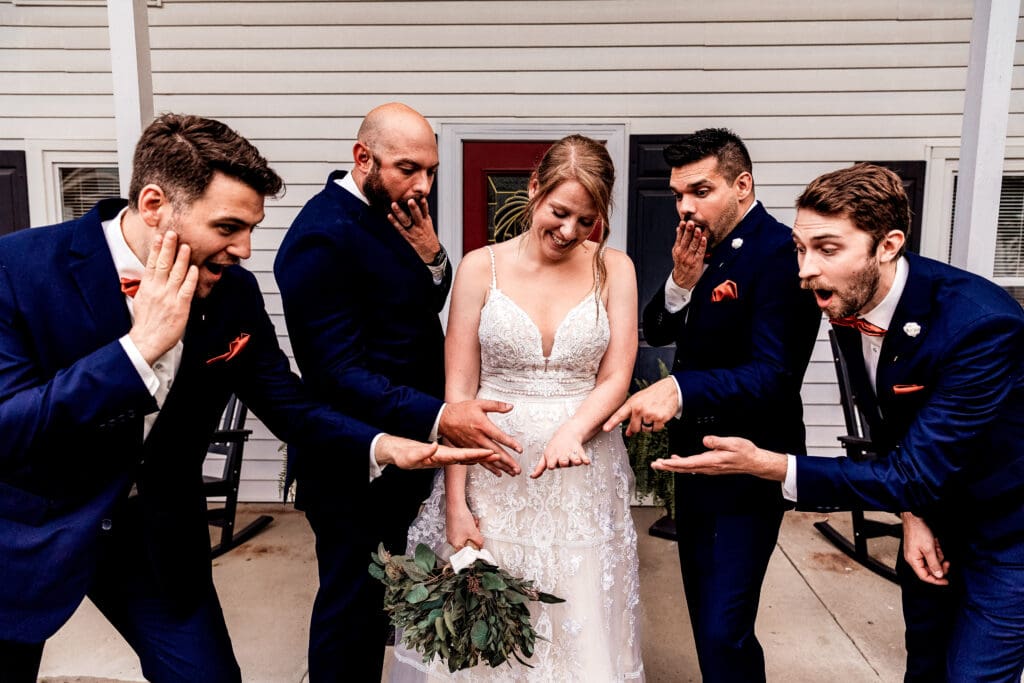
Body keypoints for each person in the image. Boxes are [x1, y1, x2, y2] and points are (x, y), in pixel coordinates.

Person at [0, 113, 500, 683]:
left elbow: (288, 402)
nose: (244, 249)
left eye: (251, 229)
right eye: (228, 227)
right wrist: (138, 351)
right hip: (25, 533)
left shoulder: (233, 290)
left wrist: (384, 445)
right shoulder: (17, 270)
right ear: (155, 205)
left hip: (156, 536)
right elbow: (9, 426)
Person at [652, 163, 1024, 682]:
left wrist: (771, 466)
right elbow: (892, 433)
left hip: (1008, 533)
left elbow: (914, 470)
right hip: (930, 521)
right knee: (925, 666)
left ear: (888, 245)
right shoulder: (850, 305)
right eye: (801, 250)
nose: (804, 269)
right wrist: (915, 517)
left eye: (827, 249)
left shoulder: (980, 326)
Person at [274, 102, 522, 682]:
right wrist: (441, 415)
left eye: (430, 170)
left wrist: (434, 257)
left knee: (382, 603)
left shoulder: (393, 214)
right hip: (354, 465)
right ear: (364, 158)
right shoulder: (320, 237)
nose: (423, 185)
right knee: (350, 611)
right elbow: (339, 374)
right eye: (409, 168)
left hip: (406, 457)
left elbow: (417, 306)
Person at [387, 134, 644, 681]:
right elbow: (458, 394)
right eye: (560, 212)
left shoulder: (615, 269)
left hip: (582, 478)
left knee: (581, 617)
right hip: (492, 476)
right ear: (533, 189)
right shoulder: (481, 269)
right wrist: (457, 503)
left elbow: (617, 374)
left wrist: (575, 430)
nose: (570, 231)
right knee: (488, 630)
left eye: (587, 220)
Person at [603, 128, 820, 682]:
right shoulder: (703, 250)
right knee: (704, 616)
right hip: (694, 466)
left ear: (742, 185)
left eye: (700, 191)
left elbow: (774, 376)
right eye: (679, 195)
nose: (686, 208)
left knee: (725, 628)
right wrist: (679, 283)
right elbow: (655, 329)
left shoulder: (780, 255)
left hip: (748, 470)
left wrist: (678, 391)